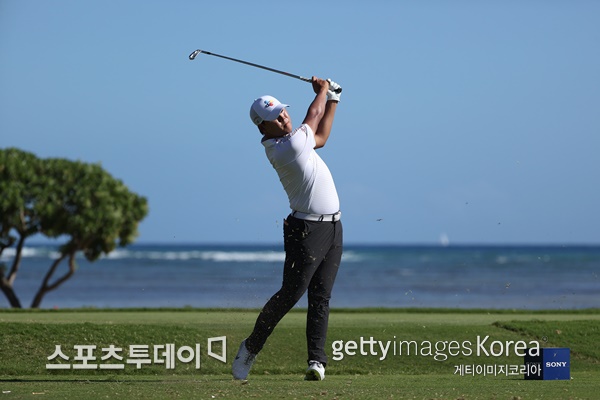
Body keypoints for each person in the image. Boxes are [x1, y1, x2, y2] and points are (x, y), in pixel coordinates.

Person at [232, 77, 343, 381]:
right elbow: (314, 115)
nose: (283, 117)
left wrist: (333, 98)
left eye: (282, 111)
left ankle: (316, 361)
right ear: (262, 128)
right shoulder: (287, 147)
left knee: (321, 296)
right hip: (306, 230)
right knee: (290, 294)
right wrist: (323, 90)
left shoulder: (298, 141)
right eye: (274, 117)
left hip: (333, 226)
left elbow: (321, 137)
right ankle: (251, 347)